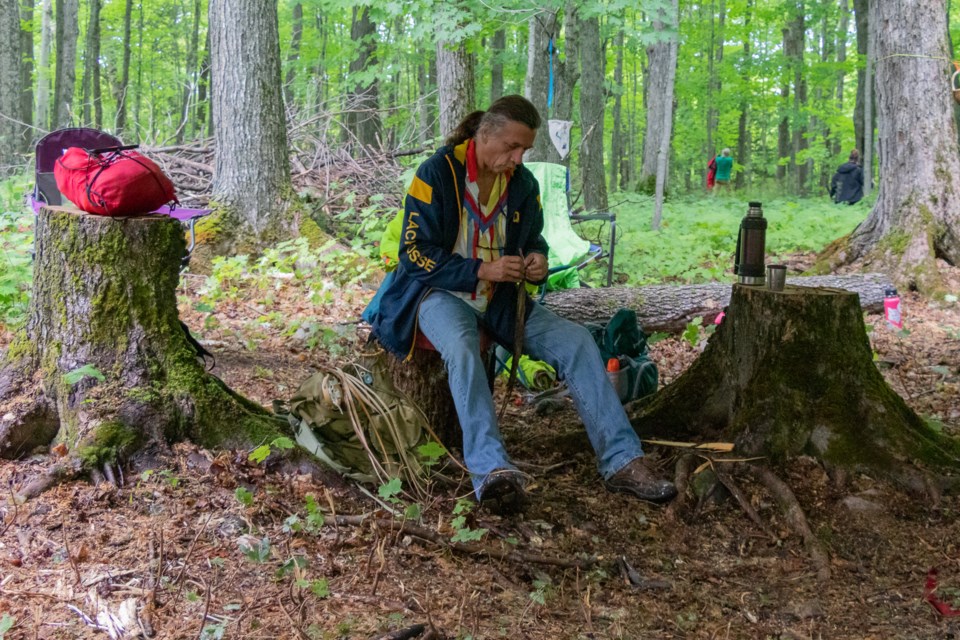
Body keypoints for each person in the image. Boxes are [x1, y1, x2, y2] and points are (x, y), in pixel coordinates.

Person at [367, 95, 677, 514]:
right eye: (512, 147)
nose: (518, 158)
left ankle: (622, 460)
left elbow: (534, 240)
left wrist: (537, 261)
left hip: (501, 301)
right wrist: (480, 270)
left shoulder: (524, 185)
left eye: (525, 150)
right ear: (484, 135)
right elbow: (413, 253)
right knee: (461, 347)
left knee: (577, 341)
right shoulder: (436, 174)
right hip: (436, 294)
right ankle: (491, 471)